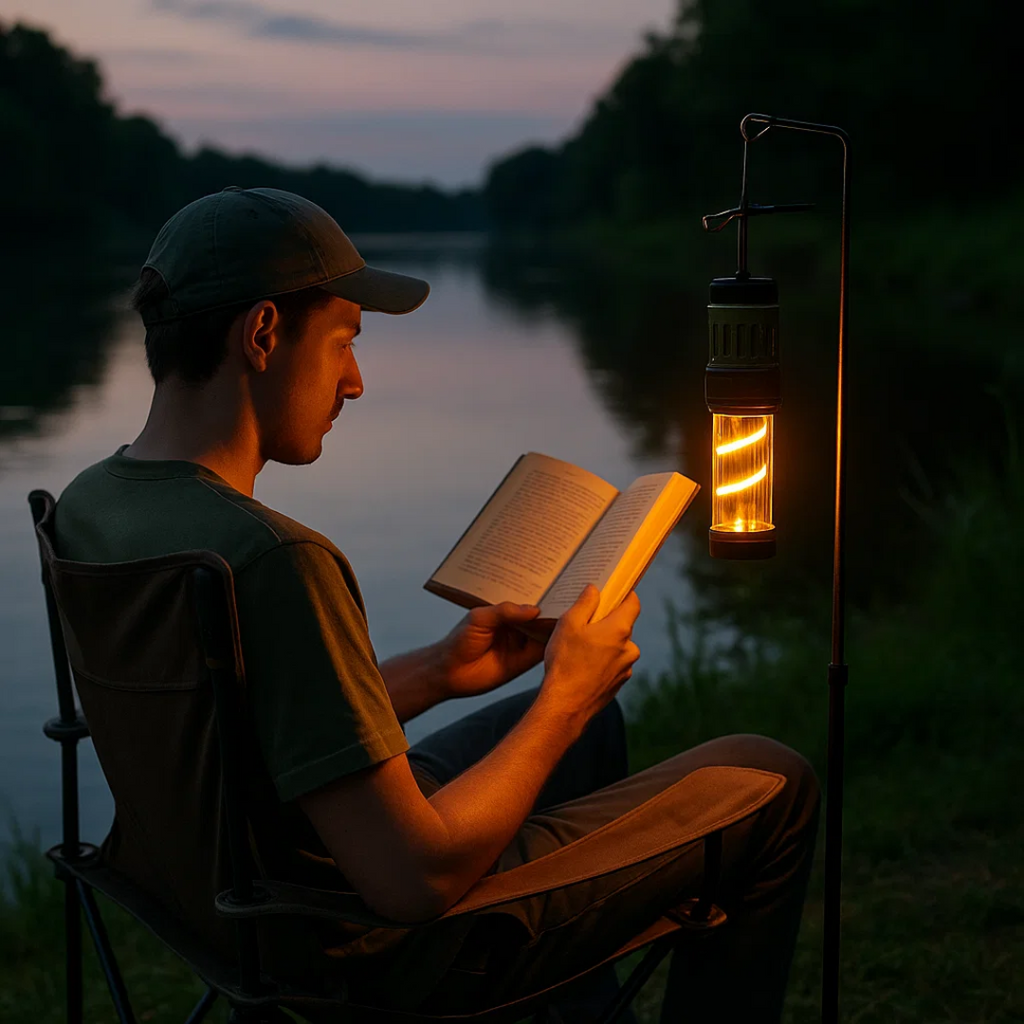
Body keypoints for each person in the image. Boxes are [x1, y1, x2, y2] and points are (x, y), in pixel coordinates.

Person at [54, 186, 820, 1022]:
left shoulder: (93, 505)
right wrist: (567, 695)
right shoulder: (274, 558)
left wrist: (441, 671)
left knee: (592, 736)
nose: (354, 382)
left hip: (229, 905)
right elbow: (413, 882)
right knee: (771, 777)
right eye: (344, 341)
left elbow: (230, 732)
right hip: (371, 951)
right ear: (264, 334)